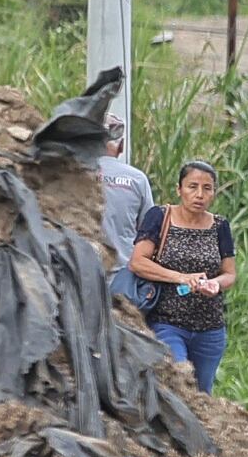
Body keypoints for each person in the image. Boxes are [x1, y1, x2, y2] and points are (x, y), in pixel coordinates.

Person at [130, 159, 236, 392]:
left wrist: (214, 284)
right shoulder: (159, 217)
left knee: (203, 394)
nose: (199, 194)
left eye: (207, 188)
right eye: (192, 186)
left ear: (214, 193)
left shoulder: (220, 226)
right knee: (178, 384)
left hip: (210, 328)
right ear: (179, 190)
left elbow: (229, 274)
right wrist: (180, 277)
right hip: (167, 322)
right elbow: (138, 262)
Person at [99, 117, 155, 310]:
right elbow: (147, 231)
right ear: (121, 146)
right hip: (123, 280)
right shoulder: (137, 179)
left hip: (79, 275)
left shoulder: (74, 174)